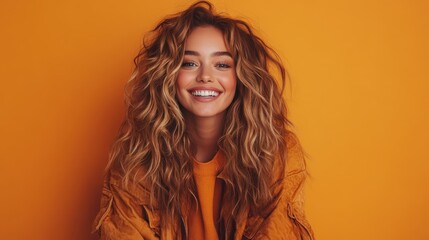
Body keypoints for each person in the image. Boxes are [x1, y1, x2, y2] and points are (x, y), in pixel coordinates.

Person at [91, 1, 315, 239]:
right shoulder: (137, 158)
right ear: (168, 74)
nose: (205, 76)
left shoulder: (276, 152)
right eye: (189, 63)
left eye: (221, 64)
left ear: (241, 76)